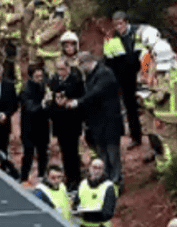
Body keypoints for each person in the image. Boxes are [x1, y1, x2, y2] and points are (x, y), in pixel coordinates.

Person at [67, 52, 125, 187]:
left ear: (85, 63)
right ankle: (105, 180)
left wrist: (78, 102)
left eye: (81, 66)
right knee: (102, 154)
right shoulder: (90, 75)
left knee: (112, 154)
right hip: (97, 123)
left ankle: (116, 181)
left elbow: (95, 93)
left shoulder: (104, 73)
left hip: (110, 121)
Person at [141, 41, 177, 171]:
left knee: (165, 145)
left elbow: (161, 96)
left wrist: (147, 100)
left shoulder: (164, 73)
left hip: (166, 115)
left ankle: (167, 171)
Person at [103, 11, 144, 149]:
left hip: (140, 74)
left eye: (120, 23)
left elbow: (144, 53)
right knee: (128, 107)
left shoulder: (137, 32)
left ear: (126, 22)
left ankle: (151, 135)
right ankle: (134, 137)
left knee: (146, 105)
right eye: (115, 24)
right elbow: (108, 59)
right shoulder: (111, 37)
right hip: (122, 77)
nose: (118, 27)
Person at [48, 56, 85, 189]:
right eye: (58, 69)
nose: (61, 72)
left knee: (73, 152)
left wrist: (69, 102)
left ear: (68, 68)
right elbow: (50, 101)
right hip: (59, 123)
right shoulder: (52, 81)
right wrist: (56, 104)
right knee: (64, 152)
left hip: (72, 122)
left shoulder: (75, 80)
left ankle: (77, 178)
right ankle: (69, 178)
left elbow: (81, 98)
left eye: (63, 69)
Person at [72, 158, 117, 227]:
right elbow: (75, 204)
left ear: (103, 170)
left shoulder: (109, 187)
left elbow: (108, 213)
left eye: (99, 168)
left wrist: (90, 213)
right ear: (89, 168)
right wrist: (77, 211)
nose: (96, 171)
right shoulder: (83, 184)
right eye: (94, 167)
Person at [18, 64, 51, 183]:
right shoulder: (26, 89)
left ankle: (42, 176)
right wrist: (42, 104)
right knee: (28, 154)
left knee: (43, 153)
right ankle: (23, 178)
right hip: (29, 128)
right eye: (37, 76)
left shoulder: (43, 86)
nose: (40, 78)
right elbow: (29, 108)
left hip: (42, 127)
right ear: (31, 76)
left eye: (41, 76)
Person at [27, 0, 69, 64]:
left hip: (52, 51)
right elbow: (34, 19)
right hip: (37, 48)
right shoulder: (44, 6)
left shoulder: (62, 12)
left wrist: (38, 38)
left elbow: (54, 29)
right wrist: (30, 34)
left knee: (50, 71)